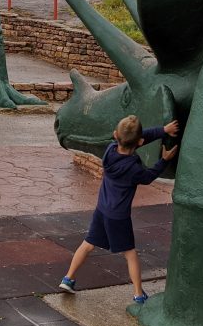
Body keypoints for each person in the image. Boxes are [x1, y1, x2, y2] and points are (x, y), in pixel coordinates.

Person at [60, 114, 179, 306]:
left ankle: (68, 278)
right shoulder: (133, 168)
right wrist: (164, 160)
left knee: (88, 244)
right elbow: (148, 176)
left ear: (115, 135)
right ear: (140, 142)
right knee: (130, 254)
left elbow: (132, 139)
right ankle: (138, 294)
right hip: (118, 216)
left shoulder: (110, 151)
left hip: (102, 209)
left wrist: (162, 131)